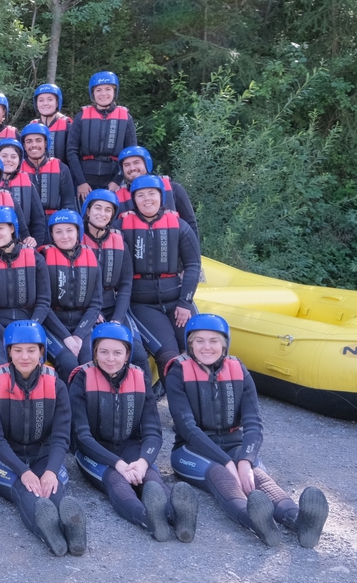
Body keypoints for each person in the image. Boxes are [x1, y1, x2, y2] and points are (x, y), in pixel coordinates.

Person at [166, 314, 329, 548]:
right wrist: (228, 463)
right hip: (192, 449)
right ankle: (257, 522)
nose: (206, 347)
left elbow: (254, 423)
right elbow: (187, 428)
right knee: (221, 474)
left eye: (214, 340)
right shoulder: (178, 372)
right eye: (199, 340)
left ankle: (299, 520)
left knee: (256, 476)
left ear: (224, 344)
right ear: (189, 344)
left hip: (234, 444)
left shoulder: (238, 368)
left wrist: (245, 460)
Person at [69, 322, 198, 542]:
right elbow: (82, 436)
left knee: (151, 479)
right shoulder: (81, 378)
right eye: (104, 352)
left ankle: (178, 517)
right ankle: (149, 520)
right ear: (94, 353)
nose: (111, 358)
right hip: (94, 452)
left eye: (117, 352)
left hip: (131, 447)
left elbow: (152, 432)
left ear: (128, 353)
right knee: (117, 481)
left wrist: (143, 462)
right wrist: (117, 464)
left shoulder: (139, 377)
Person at [0, 320, 86, 556]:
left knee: (54, 490)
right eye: (17, 350)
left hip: (44, 454)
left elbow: (61, 436)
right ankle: (51, 535)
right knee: (27, 491)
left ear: (42, 351)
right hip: (8, 460)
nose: (24, 357)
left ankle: (74, 531)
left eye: (31, 350)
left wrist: (50, 471)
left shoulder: (55, 383)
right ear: (8, 352)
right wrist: (23, 470)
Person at [119, 175, 201, 371]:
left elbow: (193, 265)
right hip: (143, 304)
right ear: (134, 200)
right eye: (140, 195)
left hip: (177, 299)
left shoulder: (180, 225)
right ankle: (177, 400)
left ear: (161, 196)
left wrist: (185, 302)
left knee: (199, 349)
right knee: (169, 357)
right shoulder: (120, 227)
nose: (147, 199)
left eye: (151, 193)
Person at [80, 189, 153, 375]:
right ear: (87, 210)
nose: (102, 214)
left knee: (137, 354)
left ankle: (145, 402)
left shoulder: (119, 239)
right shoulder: (74, 238)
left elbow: (125, 284)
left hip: (113, 307)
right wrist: (92, 310)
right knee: (91, 356)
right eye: (97, 208)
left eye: (107, 210)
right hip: (84, 309)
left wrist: (117, 319)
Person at [0, 207, 52, 372]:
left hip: (28, 323)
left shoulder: (35, 258)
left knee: (33, 369)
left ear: (12, 228)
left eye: (0, 228)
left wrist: (30, 327)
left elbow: (44, 301)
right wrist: (6, 333)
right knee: (0, 367)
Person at [38, 210, 103, 381]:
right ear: (51, 234)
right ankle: (66, 406)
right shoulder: (42, 258)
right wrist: (66, 337)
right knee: (69, 364)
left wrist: (79, 335)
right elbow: (43, 304)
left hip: (82, 325)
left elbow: (96, 304)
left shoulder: (91, 257)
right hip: (54, 326)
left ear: (78, 232)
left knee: (90, 363)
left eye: (69, 230)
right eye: (58, 231)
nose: (64, 236)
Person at [67, 71, 137, 198]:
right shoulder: (81, 116)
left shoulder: (126, 118)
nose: (103, 93)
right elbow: (72, 151)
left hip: (113, 178)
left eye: (108, 89)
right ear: (93, 93)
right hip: (85, 179)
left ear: (114, 92)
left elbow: (131, 153)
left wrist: (117, 180)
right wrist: (81, 182)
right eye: (98, 90)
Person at [115, 146, 200, 238]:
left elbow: (190, 224)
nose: (132, 168)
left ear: (146, 163)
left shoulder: (174, 188)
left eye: (136, 162)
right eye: (126, 165)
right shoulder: (116, 197)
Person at [0, 138, 48, 246]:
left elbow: (38, 220)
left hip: (22, 243)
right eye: (4, 156)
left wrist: (34, 244)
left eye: (13, 157)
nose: (8, 160)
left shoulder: (28, 184)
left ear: (19, 160)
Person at [20, 123, 76, 217]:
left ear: (46, 143)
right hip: (27, 223)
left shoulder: (62, 168)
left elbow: (69, 204)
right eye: (29, 141)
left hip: (54, 222)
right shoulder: (17, 170)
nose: (34, 145)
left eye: (38, 141)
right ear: (24, 145)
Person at [29, 83, 71, 163]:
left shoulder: (68, 126)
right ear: (36, 104)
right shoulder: (31, 126)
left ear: (57, 103)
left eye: (50, 99)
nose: (45, 103)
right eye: (41, 100)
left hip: (61, 173)